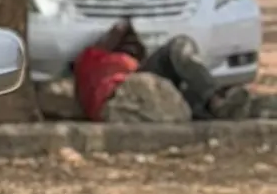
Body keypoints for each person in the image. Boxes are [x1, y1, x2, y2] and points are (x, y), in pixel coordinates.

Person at [72, 18, 250, 121]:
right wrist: (125, 24)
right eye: (128, 40)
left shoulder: (132, 65)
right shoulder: (92, 57)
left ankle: (217, 104)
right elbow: (118, 30)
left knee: (185, 82)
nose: (133, 42)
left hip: (141, 91)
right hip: (122, 93)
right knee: (179, 46)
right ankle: (216, 101)